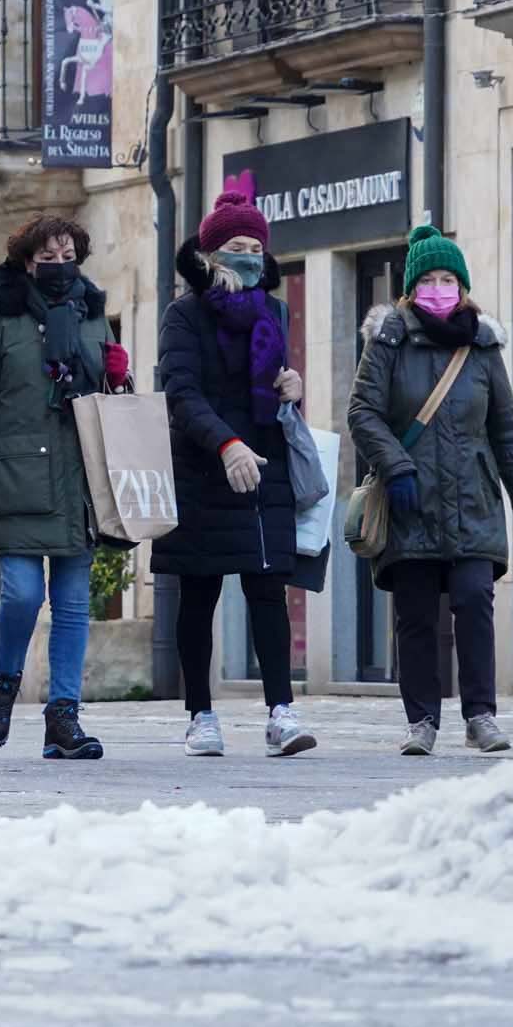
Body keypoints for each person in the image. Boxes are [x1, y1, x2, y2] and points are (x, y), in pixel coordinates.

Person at [347, 224, 513, 757]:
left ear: (463, 287)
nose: (440, 287)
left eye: (448, 279)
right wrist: (397, 466)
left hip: (473, 501)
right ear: (412, 289)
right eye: (429, 279)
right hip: (411, 501)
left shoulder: (481, 345)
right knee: (415, 614)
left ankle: (481, 715)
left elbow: (506, 429)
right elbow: (362, 412)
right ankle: (422, 722)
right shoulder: (389, 339)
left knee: (474, 600)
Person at [0, 214, 132, 760]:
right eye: (46, 258)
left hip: (79, 478)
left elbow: (110, 401)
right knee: (24, 592)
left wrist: (117, 374)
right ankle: (3, 685)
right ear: (25, 261)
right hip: (17, 475)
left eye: (66, 256)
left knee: (74, 604)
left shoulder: (92, 312)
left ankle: (64, 717)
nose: (58, 266)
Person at [152, 191, 315, 758]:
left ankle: (281, 712)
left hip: (263, 468)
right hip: (202, 468)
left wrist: (293, 391)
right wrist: (225, 443)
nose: (247, 255)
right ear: (211, 253)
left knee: (269, 590)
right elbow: (181, 392)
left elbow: (272, 387)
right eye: (235, 247)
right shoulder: (184, 315)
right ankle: (200, 714)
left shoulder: (274, 311)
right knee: (198, 594)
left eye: (255, 247)